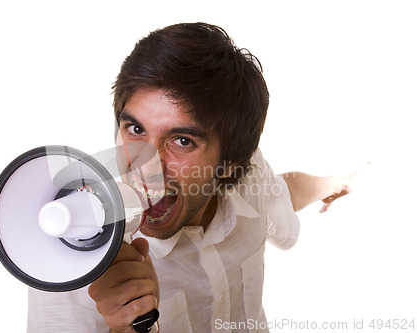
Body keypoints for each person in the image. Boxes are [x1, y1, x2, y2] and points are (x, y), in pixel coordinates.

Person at [27, 22, 354, 333]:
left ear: (229, 164)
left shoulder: (252, 175)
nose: (146, 166)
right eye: (136, 129)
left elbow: (284, 191)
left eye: (182, 141)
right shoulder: (67, 263)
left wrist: (332, 184)